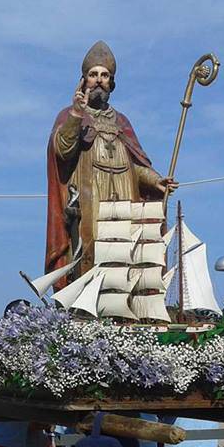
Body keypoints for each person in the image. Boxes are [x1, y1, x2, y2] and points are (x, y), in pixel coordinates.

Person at [45, 40, 177, 284]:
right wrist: (76, 114)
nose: (98, 80)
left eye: (104, 75)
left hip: (124, 195)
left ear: (111, 82)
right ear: (83, 80)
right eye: (93, 75)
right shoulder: (70, 115)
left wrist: (155, 179)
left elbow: (135, 164)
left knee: (127, 252)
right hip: (90, 195)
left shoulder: (122, 121)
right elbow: (62, 151)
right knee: (92, 249)